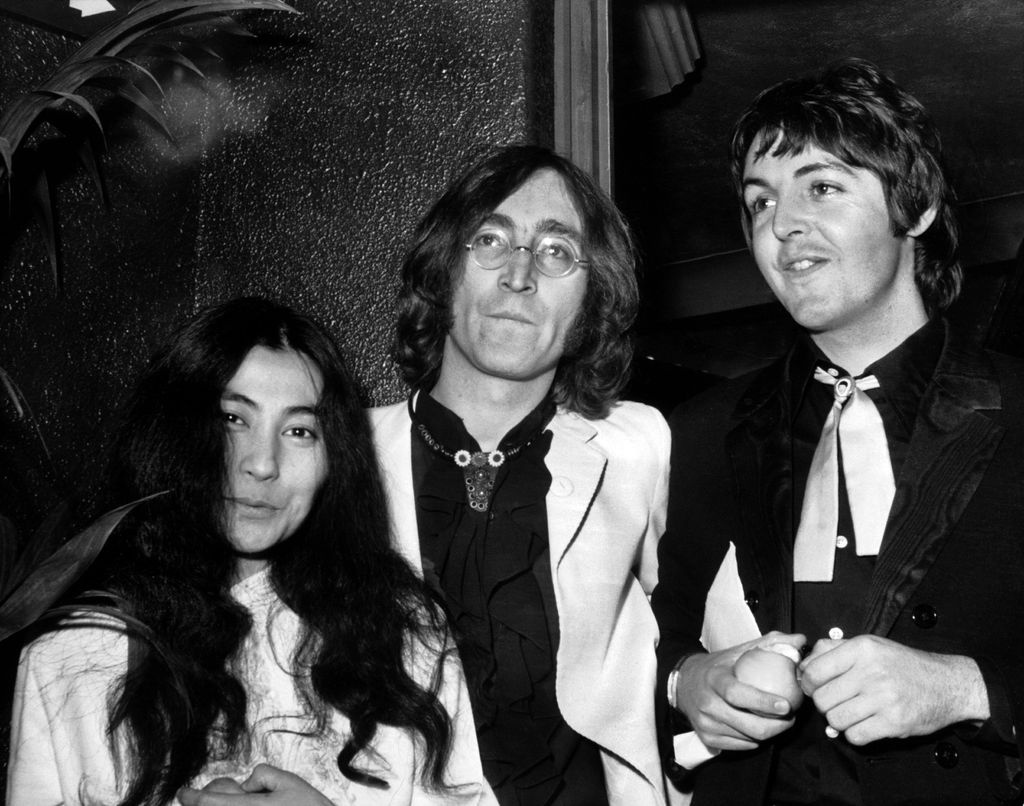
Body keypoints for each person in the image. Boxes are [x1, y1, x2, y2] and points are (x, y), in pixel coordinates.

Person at [652, 57, 1024, 805]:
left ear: (914, 209)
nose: (781, 223)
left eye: (821, 187)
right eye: (760, 202)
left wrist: (970, 689)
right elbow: (629, 645)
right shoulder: (689, 436)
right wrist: (689, 681)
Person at [6, 297, 491, 806]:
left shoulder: (405, 636)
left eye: (300, 431)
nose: (262, 463)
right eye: (233, 419)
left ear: (336, 462)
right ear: (175, 432)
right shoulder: (74, 651)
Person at [370, 144, 672, 805]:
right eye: (490, 239)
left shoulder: (642, 447)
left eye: (557, 251)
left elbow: (705, 650)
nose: (519, 274)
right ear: (445, 266)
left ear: (593, 298)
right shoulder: (344, 452)